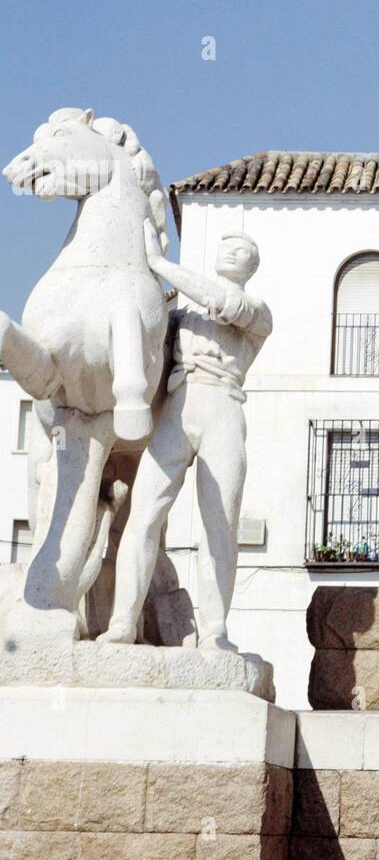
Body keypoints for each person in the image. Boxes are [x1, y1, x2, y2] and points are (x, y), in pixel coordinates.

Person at [99, 224, 272, 650]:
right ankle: (123, 622)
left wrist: (159, 263)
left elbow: (219, 301)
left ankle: (214, 630)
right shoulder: (181, 317)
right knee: (143, 517)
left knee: (220, 525)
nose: (234, 252)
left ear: (253, 267)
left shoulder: (255, 311)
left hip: (223, 411)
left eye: (244, 251)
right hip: (178, 409)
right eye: (228, 246)